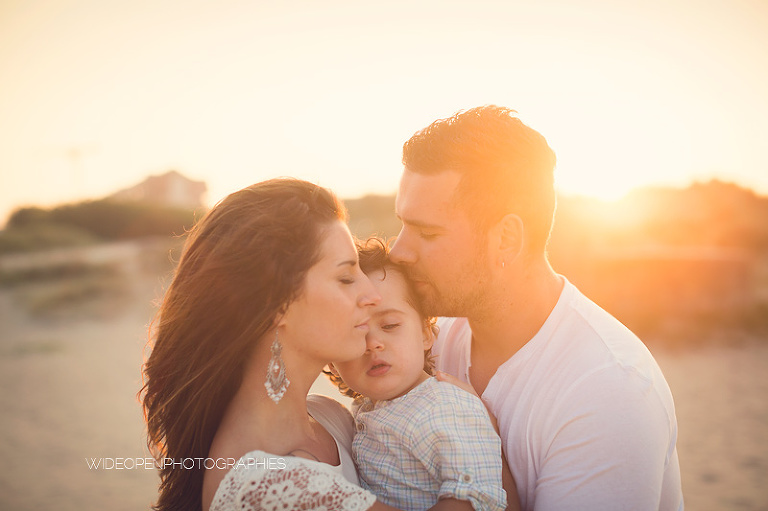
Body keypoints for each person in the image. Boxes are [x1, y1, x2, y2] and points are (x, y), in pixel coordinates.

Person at [388, 106, 684, 511]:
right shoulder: (431, 340)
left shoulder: (607, 391)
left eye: (427, 232)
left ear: (506, 239)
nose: (398, 251)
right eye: (402, 224)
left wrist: (484, 445)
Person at [140, 178, 488, 511]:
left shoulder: (336, 418)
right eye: (346, 277)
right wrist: (484, 440)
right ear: (276, 304)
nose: (370, 295)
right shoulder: (268, 485)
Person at [326, 238, 509, 511]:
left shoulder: (447, 407)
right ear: (331, 358)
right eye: (355, 331)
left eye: (389, 325)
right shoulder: (360, 411)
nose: (373, 343)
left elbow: (476, 500)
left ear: (425, 333)